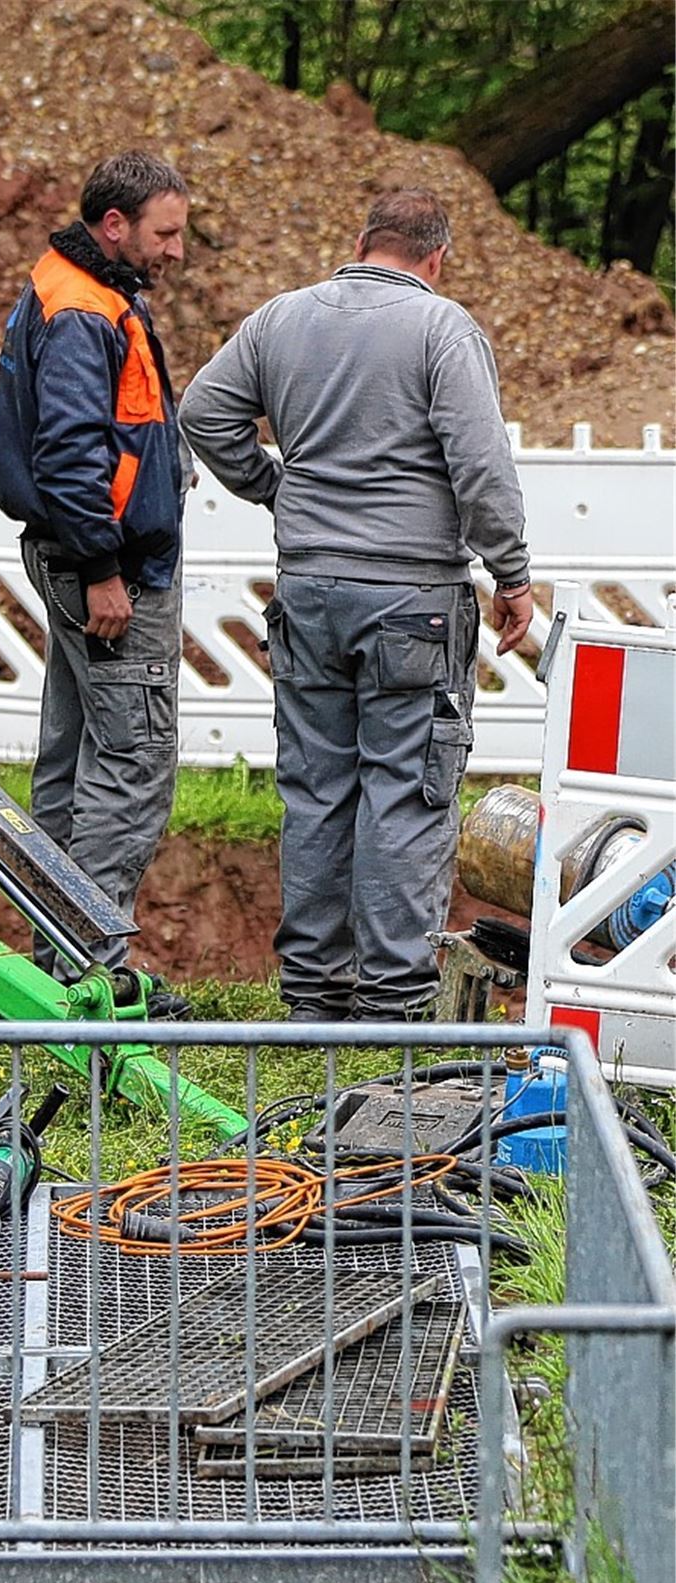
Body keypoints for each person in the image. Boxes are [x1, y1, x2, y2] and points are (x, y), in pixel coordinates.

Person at [179, 187, 533, 1022]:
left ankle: (314, 994)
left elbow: (203, 411)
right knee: (405, 793)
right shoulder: (442, 329)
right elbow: (480, 464)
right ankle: (391, 1001)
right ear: (436, 256)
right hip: (413, 600)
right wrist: (512, 573)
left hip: (307, 592)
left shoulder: (281, 319)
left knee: (317, 791)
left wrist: (277, 488)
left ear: (364, 241)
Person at [0, 151, 191, 1017]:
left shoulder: (83, 290)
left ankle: (61, 959)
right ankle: (94, 973)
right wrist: (105, 569)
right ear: (115, 225)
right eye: (165, 233)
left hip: (79, 557)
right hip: (108, 574)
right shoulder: (82, 311)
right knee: (131, 762)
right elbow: (72, 453)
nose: (176, 250)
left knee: (73, 763)